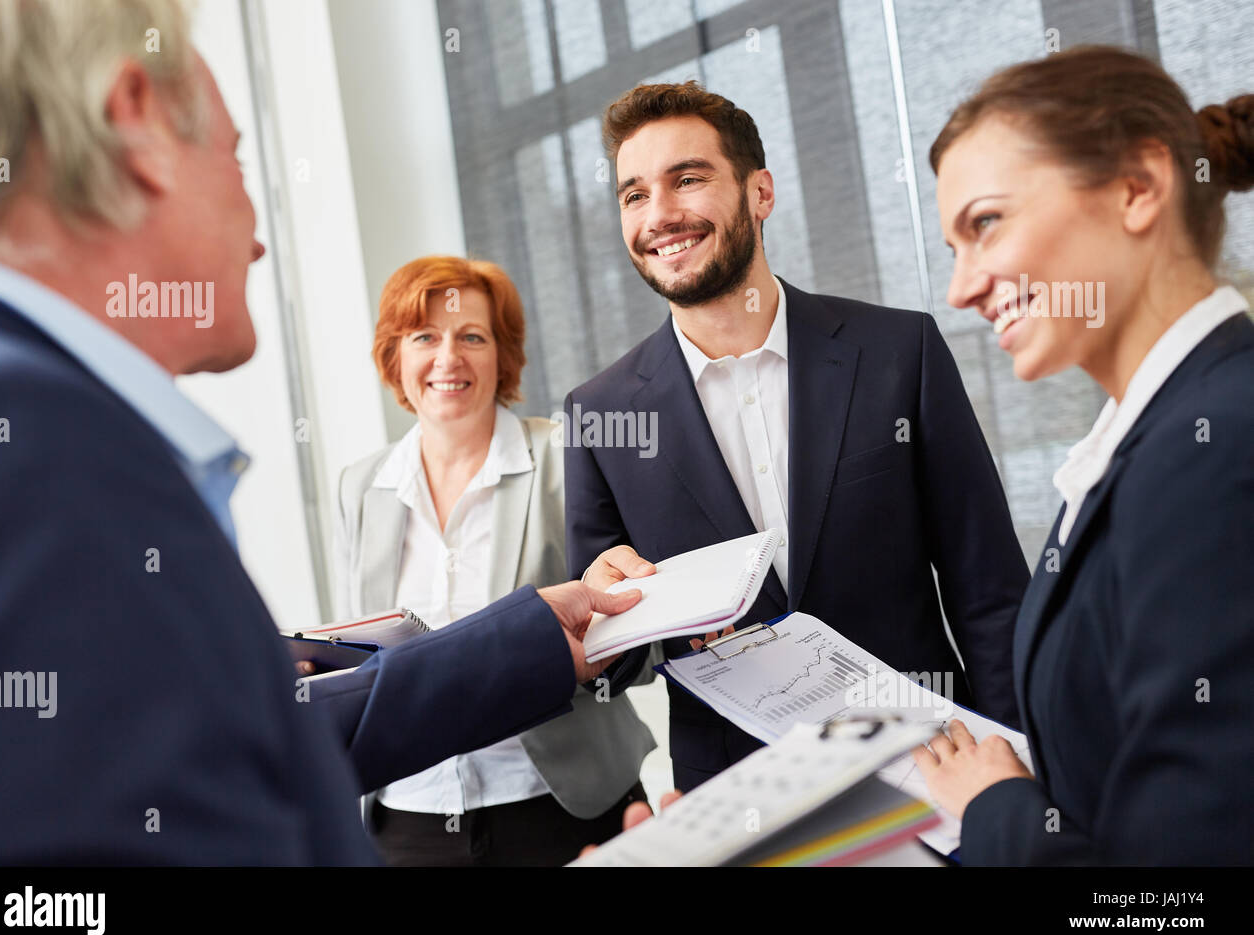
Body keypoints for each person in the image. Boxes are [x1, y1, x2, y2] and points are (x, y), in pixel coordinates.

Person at [0, 0, 639, 864]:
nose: (258, 239)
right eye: (237, 158)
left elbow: (264, 736)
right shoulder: (18, 445)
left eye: (471, 337)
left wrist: (539, 634)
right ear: (139, 128)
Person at [566, 81, 1030, 791]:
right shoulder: (597, 415)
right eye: (633, 195)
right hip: (735, 797)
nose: (660, 215)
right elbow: (617, 660)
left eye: (687, 179)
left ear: (760, 193)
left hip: (929, 770)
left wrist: (1019, 766)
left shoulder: (898, 351)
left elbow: (989, 591)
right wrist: (603, 611)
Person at [914, 45, 1254, 865]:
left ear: (1139, 187)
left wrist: (997, 812)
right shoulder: (1149, 440)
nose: (961, 288)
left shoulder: (1213, 454)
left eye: (985, 223)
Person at [334, 256, 654, 865]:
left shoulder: (566, 455)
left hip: (561, 804)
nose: (447, 358)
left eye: (471, 337)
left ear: (502, 356)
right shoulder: (360, 485)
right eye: (423, 337)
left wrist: (602, 648)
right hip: (409, 818)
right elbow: (357, 649)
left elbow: (641, 629)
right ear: (394, 357)